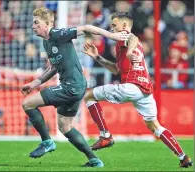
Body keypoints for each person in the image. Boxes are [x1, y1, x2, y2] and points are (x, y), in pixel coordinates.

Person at [21, 7, 131, 167]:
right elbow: (53, 68)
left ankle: (46, 142)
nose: (33, 26)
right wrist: (34, 83)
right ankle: (94, 160)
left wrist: (112, 35)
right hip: (75, 85)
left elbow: (86, 28)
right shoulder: (46, 42)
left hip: (71, 86)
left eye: (36, 22)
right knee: (65, 126)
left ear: (47, 23)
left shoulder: (58, 34)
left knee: (28, 103)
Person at [82, 12, 193, 168]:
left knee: (89, 96)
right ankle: (183, 157)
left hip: (132, 86)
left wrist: (128, 52)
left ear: (125, 26)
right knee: (154, 126)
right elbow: (115, 70)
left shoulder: (126, 37)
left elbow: (132, 37)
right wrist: (97, 57)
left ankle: (105, 136)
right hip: (145, 90)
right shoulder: (124, 44)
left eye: (114, 25)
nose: (112, 28)